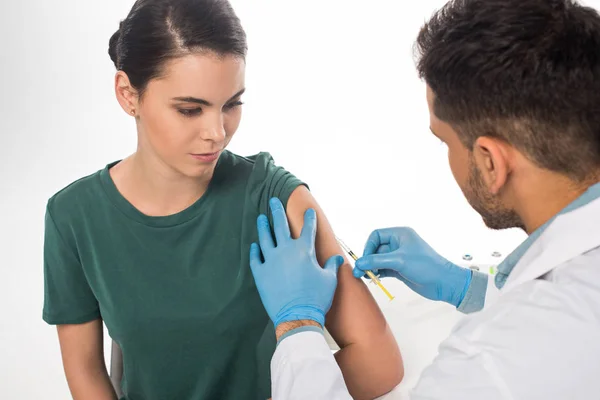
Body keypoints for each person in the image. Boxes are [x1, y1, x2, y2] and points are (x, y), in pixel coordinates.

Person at [41, 1, 403, 399]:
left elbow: (379, 363)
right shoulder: (73, 217)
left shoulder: (275, 200)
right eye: (190, 109)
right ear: (128, 94)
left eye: (232, 104)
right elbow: (86, 372)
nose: (217, 132)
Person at [249, 0, 600, 398]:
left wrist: (298, 326)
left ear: (490, 162)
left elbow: (539, 339)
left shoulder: (490, 360)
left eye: (444, 141)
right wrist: (470, 288)